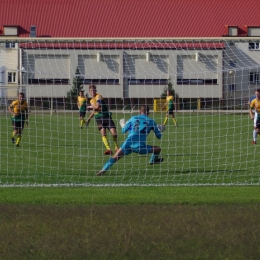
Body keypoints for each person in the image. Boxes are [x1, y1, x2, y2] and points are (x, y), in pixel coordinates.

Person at [96, 105, 163, 176]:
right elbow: (159, 136)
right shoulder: (151, 121)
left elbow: (123, 131)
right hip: (139, 147)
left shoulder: (133, 118)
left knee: (115, 157)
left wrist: (123, 125)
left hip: (127, 144)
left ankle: (103, 170)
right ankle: (153, 161)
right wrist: (159, 130)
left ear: (139, 112)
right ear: (148, 113)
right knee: (158, 149)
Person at [85, 84, 119, 155]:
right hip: (99, 118)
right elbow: (95, 110)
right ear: (89, 92)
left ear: (96, 90)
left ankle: (116, 147)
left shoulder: (99, 96)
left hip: (106, 116)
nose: (93, 91)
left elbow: (97, 106)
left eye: (94, 90)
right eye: (91, 90)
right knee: (103, 133)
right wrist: (89, 119)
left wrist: (90, 107)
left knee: (114, 133)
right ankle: (108, 149)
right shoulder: (91, 100)